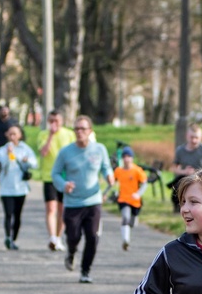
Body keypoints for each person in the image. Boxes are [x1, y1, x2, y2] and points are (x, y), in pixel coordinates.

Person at [51, 115, 114, 283]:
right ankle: (71, 252)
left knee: (93, 237)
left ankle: (85, 271)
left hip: (93, 200)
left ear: (90, 131)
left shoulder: (99, 149)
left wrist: (109, 176)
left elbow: (106, 167)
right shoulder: (66, 152)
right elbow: (55, 173)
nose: (79, 132)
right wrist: (64, 185)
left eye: (83, 129)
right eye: (76, 129)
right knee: (73, 237)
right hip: (72, 202)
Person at [37, 110, 75, 251]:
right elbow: (43, 152)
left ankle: (58, 237)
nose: (53, 124)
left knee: (62, 209)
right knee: (51, 208)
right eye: (51, 121)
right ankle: (52, 237)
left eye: (56, 121)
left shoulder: (69, 134)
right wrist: (51, 136)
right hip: (49, 176)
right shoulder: (43, 134)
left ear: (62, 121)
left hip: (66, 177)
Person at [0, 124, 37, 250]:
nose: (13, 136)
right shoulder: (2, 150)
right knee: (8, 214)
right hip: (6, 188)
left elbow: (34, 164)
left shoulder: (25, 149)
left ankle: (14, 238)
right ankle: (8, 237)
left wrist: (26, 161)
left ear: (20, 135)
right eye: (10, 134)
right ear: (7, 135)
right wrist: (9, 155)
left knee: (17, 215)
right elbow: (0, 165)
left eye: (15, 133)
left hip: (20, 188)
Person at [170, 124, 202, 213]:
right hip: (185, 178)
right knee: (176, 190)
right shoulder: (180, 150)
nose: (194, 140)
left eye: (196, 138)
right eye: (191, 137)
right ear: (187, 136)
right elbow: (173, 168)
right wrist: (184, 171)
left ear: (201, 137)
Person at [112, 146, 147, 251]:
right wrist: (109, 193)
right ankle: (125, 240)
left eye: (128, 156)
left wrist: (138, 194)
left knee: (132, 222)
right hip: (123, 199)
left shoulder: (137, 170)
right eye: (124, 157)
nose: (126, 159)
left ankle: (129, 228)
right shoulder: (118, 170)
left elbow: (144, 183)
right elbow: (112, 182)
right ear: (122, 158)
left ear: (132, 158)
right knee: (125, 218)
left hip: (135, 201)